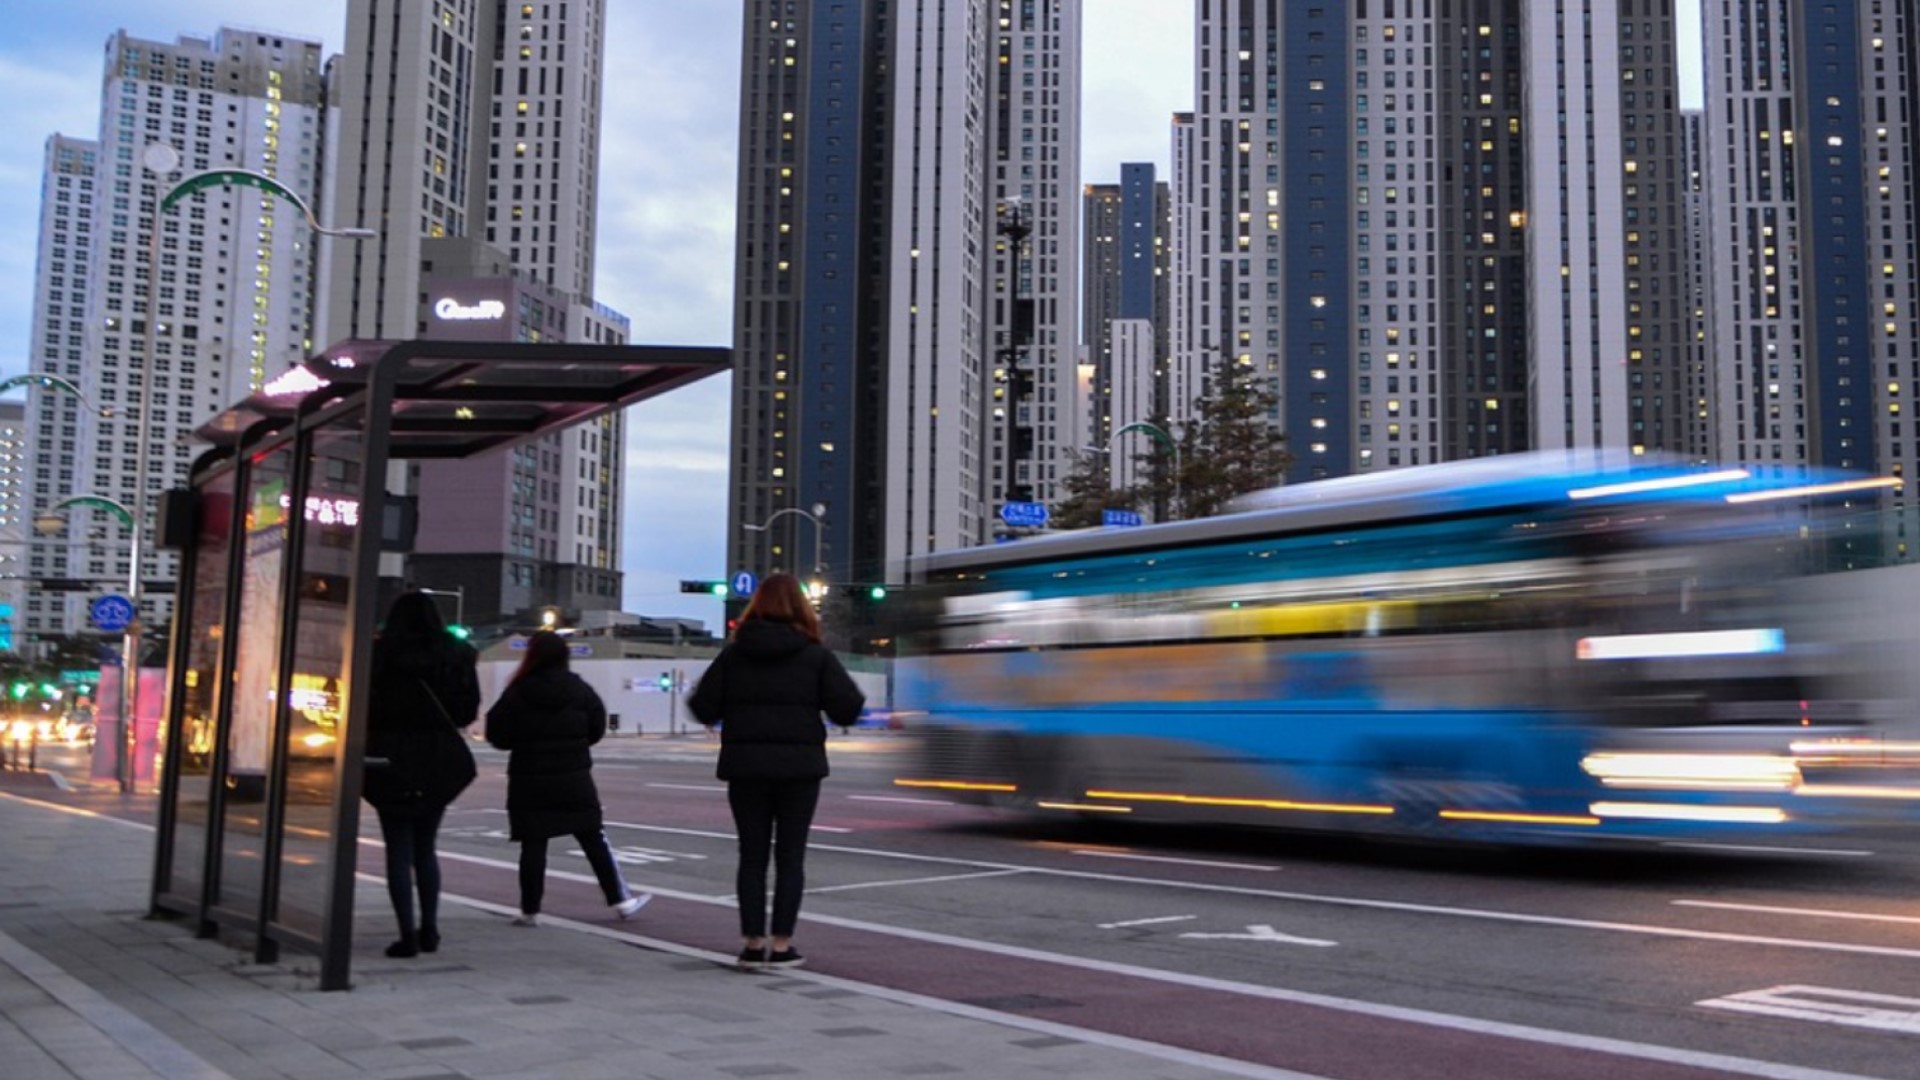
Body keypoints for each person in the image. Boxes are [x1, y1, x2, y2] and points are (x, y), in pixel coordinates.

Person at [688, 572, 866, 970]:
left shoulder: (734, 655)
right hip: (799, 770)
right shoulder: (816, 656)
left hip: (746, 769)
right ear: (802, 608)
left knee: (751, 855)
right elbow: (847, 708)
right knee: (790, 856)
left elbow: (702, 707)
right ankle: (782, 945)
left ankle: (752, 944)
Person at [485, 630, 650, 926]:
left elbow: (497, 734)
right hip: (574, 777)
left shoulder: (518, 691)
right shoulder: (579, 690)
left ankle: (529, 910)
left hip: (529, 778)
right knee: (592, 838)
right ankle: (621, 900)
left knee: (533, 843)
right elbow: (596, 728)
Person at [362, 591, 481, 959]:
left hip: (389, 757)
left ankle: (406, 935)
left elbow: (363, 706)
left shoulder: (379, 653)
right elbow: (466, 713)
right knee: (425, 846)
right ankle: (430, 928)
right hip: (438, 757)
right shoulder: (456, 654)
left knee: (397, 847)